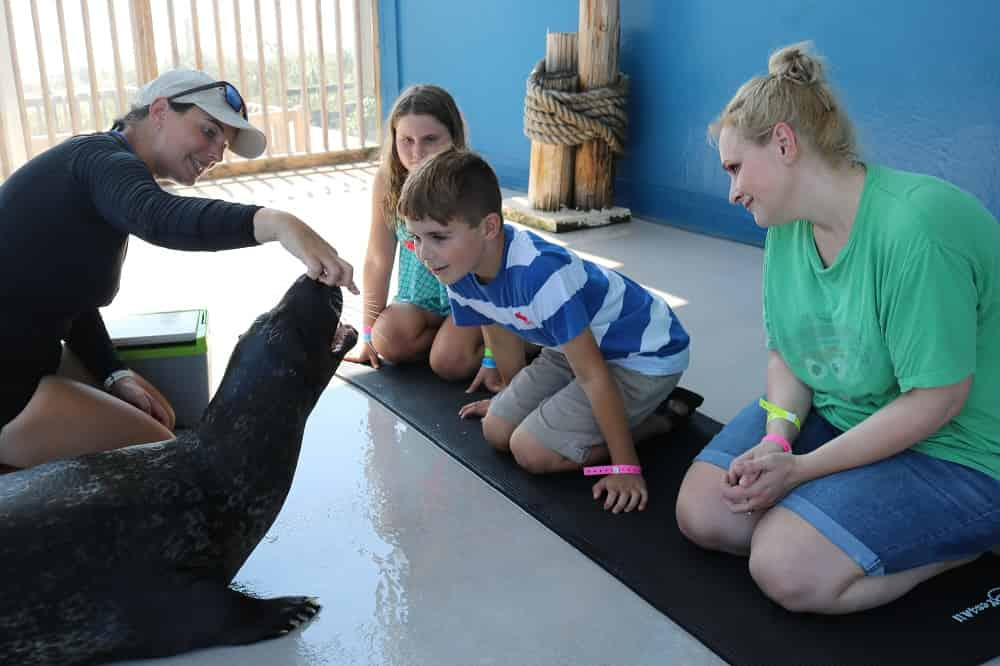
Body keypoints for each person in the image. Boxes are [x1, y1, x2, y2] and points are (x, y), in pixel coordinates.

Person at [675, 42, 1000, 614]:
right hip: (850, 408)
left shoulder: (917, 229)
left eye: (735, 168)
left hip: (964, 448)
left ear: (783, 143)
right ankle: (845, 520)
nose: (732, 192)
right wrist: (777, 441)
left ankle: (966, 541)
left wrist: (801, 469)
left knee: (784, 567)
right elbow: (790, 358)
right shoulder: (785, 230)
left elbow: (939, 399)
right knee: (705, 514)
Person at [0, 68, 357, 470]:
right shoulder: (102, 162)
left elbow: (69, 299)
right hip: (10, 386)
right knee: (167, 460)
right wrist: (277, 223)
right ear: (159, 111)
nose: (216, 154)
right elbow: (159, 216)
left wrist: (115, 374)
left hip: (26, 359)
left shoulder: (95, 169)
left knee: (162, 421)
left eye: (224, 144)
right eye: (208, 132)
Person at [397, 150, 702, 513]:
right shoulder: (456, 269)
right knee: (497, 429)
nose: (424, 254)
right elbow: (498, 329)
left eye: (438, 236)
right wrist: (513, 399)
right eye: (417, 238)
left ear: (490, 227)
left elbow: (593, 374)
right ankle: (612, 421)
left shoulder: (541, 276)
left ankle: (658, 422)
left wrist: (625, 467)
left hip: (643, 355)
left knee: (531, 451)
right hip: (572, 348)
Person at [345, 85, 487, 386]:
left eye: (430, 140)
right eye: (406, 140)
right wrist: (367, 335)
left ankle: (520, 339)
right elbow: (377, 259)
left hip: (472, 301)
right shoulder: (388, 180)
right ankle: (449, 341)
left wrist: (492, 356)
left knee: (448, 363)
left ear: (454, 138)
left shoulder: (471, 181)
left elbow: (493, 267)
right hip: (419, 302)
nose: (417, 152)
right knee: (387, 340)